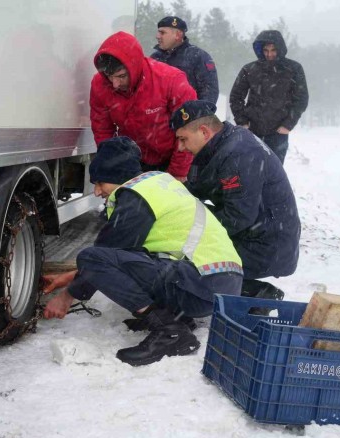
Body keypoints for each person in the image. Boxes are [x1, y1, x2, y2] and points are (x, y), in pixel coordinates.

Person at [42, 136, 243, 366]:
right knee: (137, 257)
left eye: (100, 183)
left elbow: (102, 258)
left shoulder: (136, 197)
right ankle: (177, 317)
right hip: (220, 283)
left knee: (90, 257)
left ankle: (169, 329)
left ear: (118, 176)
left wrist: (68, 295)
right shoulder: (158, 184)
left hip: (201, 283)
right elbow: (123, 255)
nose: (97, 191)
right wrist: (70, 277)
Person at [171, 100, 300, 298]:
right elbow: (198, 189)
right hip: (259, 233)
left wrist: (189, 235)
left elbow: (237, 217)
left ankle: (255, 294)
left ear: (204, 132)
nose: (180, 148)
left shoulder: (238, 155)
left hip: (267, 246)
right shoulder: (223, 142)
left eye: (183, 139)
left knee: (184, 262)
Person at [90, 31, 197, 181]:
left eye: (121, 76)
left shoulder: (170, 80)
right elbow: (102, 130)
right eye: (109, 76)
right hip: (133, 161)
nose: (115, 84)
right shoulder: (100, 85)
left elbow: (189, 129)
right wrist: (112, 168)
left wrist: (177, 173)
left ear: (134, 67)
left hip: (173, 157)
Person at [229, 30, 309, 165]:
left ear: (280, 49)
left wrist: (288, 124)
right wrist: (242, 122)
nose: (269, 54)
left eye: (273, 50)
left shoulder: (294, 69)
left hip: (279, 133)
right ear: (260, 50)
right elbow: (236, 96)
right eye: (266, 50)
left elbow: (301, 99)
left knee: (275, 173)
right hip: (252, 131)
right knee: (250, 170)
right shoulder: (249, 69)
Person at [150, 16, 219, 104]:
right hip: (159, 116)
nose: (157, 36)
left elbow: (209, 92)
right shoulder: (154, 59)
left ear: (178, 35)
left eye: (162, 33)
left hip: (188, 116)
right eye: (158, 32)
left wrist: (198, 114)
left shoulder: (198, 57)